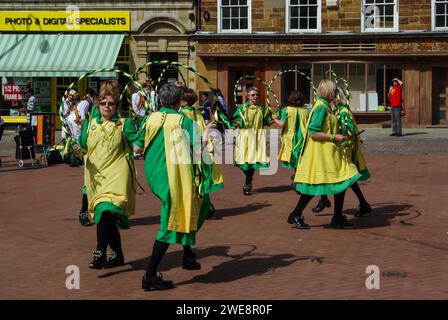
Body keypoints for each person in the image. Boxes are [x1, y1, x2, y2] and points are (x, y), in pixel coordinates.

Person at [134, 83, 215, 291]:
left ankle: (187, 254)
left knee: (201, 204)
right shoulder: (184, 121)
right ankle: (150, 275)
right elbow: (198, 153)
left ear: (161, 100)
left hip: (156, 176)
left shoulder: (150, 119)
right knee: (171, 223)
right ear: (179, 101)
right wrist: (206, 134)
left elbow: (137, 147)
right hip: (174, 179)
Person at [73, 81, 138, 269]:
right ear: (98, 105)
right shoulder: (90, 124)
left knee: (105, 211)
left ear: (116, 105)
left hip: (118, 175)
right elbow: (84, 148)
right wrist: (78, 150)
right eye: (103, 103)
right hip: (97, 177)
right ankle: (118, 255)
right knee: (106, 216)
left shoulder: (124, 124)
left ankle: (99, 252)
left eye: (110, 103)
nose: (107, 107)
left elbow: (137, 144)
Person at [289, 79, 361, 230]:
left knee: (341, 182)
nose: (336, 93)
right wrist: (334, 137)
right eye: (334, 91)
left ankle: (337, 217)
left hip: (329, 152)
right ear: (329, 92)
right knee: (315, 186)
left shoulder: (326, 106)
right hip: (321, 154)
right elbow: (313, 132)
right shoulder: (321, 107)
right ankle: (296, 214)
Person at [311, 87, 372, 217]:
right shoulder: (335, 110)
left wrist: (340, 140)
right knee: (346, 179)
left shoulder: (343, 111)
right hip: (340, 148)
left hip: (345, 149)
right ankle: (360, 204)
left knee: (343, 179)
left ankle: (334, 209)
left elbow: (349, 132)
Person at [179, 87, 224, 219]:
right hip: (201, 150)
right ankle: (206, 207)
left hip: (190, 150)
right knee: (200, 178)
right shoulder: (197, 114)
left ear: (182, 100)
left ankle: (205, 207)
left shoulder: (182, 115)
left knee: (192, 179)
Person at [233, 87, 272, 195]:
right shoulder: (242, 109)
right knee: (242, 161)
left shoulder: (261, 109)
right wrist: (236, 124)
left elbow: (266, 121)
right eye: (253, 95)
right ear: (247, 96)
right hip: (244, 138)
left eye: (257, 95)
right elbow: (236, 121)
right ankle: (249, 178)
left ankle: (248, 182)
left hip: (257, 138)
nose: (255, 97)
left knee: (253, 161)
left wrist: (273, 118)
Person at [272, 90, 308, 178]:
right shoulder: (306, 111)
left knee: (294, 156)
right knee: (301, 156)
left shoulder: (286, 110)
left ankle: (296, 177)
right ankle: (297, 176)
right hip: (302, 137)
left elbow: (282, 124)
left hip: (291, 138)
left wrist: (275, 119)